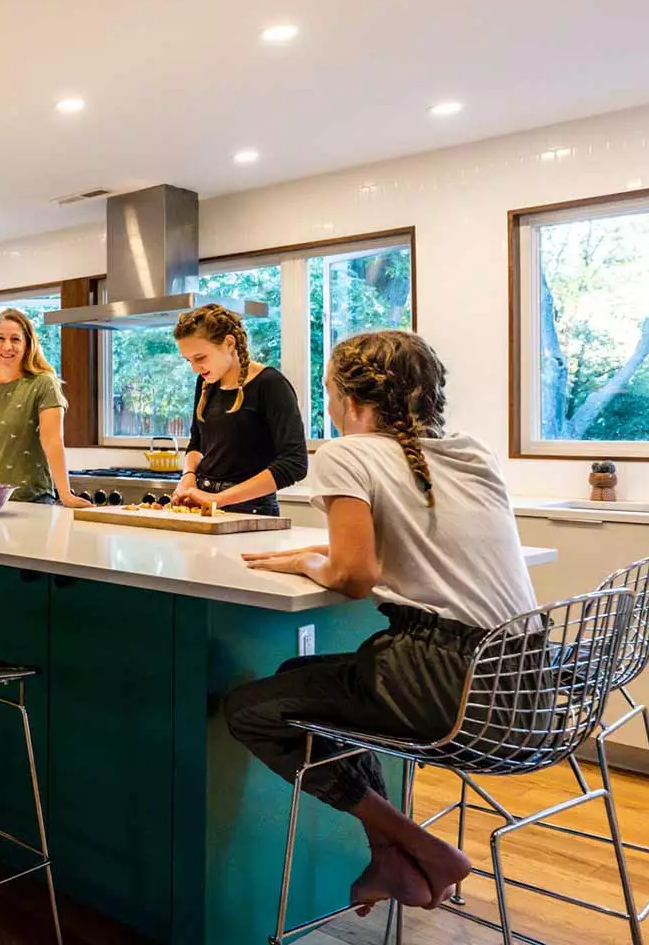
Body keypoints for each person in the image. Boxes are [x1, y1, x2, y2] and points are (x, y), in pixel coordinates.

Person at [223, 330, 539, 915]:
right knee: (302, 680)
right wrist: (330, 555)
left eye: (327, 392)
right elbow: (425, 542)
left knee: (249, 709)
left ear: (347, 399)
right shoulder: (473, 451)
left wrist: (307, 560)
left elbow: (353, 577)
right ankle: (388, 856)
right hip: (525, 680)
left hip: (443, 678)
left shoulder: (347, 451)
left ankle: (420, 846)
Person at [0, 308, 93, 507]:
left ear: (28, 344)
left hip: (31, 502)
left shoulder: (43, 384)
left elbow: (52, 441)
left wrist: (65, 495)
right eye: (0, 338)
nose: (7, 346)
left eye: (16, 339)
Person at [169, 303, 308, 515]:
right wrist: (188, 477)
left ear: (229, 343)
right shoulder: (206, 383)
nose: (195, 369)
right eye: (188, 360)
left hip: (251, 508)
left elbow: (294, 463)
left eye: (200, 358)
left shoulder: (270, 384)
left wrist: (219, 499)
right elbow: (197, 443)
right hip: (204, 502)